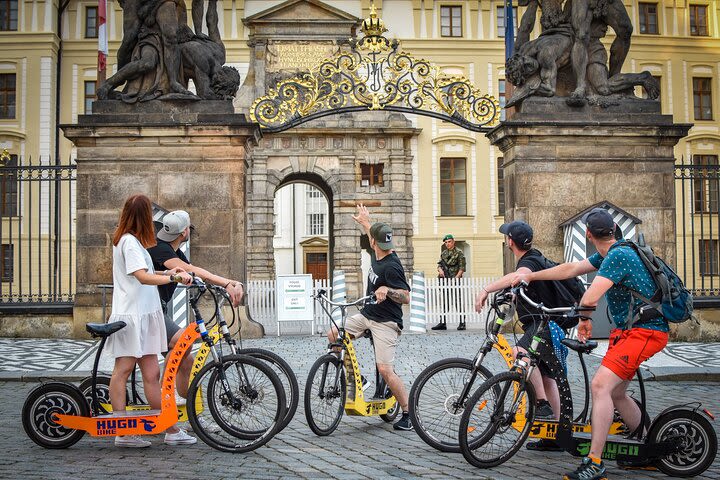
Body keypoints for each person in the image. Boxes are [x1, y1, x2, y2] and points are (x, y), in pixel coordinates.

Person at [511, 208, 669, 480]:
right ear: (613, 230)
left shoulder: (618, 255)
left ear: (587, 233)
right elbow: (570, 268)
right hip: (631, 332)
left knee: (599, 386)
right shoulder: (610, 252)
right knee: (616, 393)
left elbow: (590, 297)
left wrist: (584, 320)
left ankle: (595, 462)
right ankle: (649, 448)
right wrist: (532, 276)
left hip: (644, 332)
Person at [107, 194, 196, 448]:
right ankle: (122, 432)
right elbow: (142, 278)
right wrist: (173, 279)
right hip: (132, 317)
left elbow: (147, 273)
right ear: (143, 216)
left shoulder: (135, 242)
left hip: (144, 315)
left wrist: (167, 272)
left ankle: (171, 429)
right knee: (122, 371)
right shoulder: (128, 242)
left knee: (152, 373)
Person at [475, 221, 567, 450]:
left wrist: (488, 289)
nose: (506, 239)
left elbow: (521, 275)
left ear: (511, 241)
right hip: (545, 324)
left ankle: (542, 404)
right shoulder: (533, 257)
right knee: (547, 378)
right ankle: (556, 436)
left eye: (507, 237)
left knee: (520, 352)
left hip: (544, 324)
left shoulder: (529, 261)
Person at [327, 204, 413, 431]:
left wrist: (388, 290)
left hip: (386, 322)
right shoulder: (377, 248)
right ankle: (359, 380)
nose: (380, 247)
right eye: (378, 242)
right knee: (334, 333)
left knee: (385, 369)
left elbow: (406, 297)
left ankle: (408, 412)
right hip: (367, 314)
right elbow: (370, 232)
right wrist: (365, 222)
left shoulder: (392, 266)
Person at [147, 210, 245, 404]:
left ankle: (189, 410)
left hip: (159, 309)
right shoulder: (161, 249)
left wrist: (223, 283)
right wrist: (227, 283)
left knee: (187, 360)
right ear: (185, 232)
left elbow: (197, 274)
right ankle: (165, 397)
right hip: (150, 310)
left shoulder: (172, 250)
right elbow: (190, 270)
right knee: (183, 342)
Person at [432, 234, 467, 331]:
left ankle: (462, 323)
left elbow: (462, 268)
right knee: (445, 302)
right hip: (445, 281)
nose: (447, 244)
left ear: (453, 242)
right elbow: (439, 264)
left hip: (455, 281)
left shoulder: (459, 253)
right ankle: (442, 323)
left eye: (449, 242)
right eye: (446, 242)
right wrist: (440, 270)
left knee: (458, 302)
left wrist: (456, 279)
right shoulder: (444, 253)